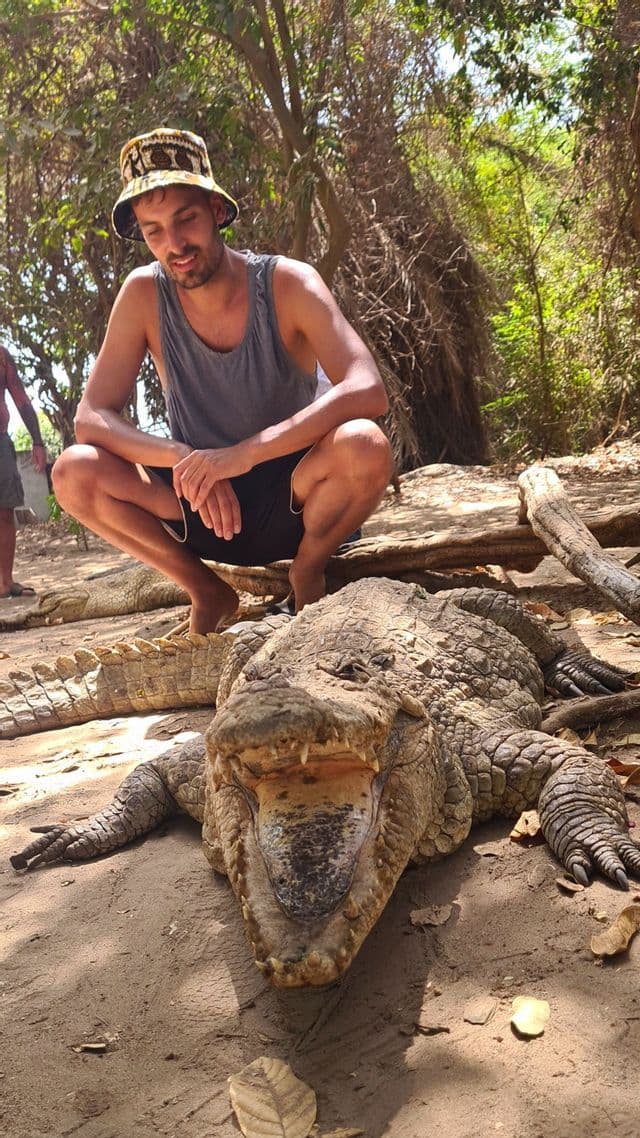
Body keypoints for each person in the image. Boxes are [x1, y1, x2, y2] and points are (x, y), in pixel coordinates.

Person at [52, 127, 394, 633]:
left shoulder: (287, 283)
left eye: (185, 219)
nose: (175, 245)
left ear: (216, 210)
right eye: (153, 231)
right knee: (73, 472)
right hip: (199, 509)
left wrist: (244, 454)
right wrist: (183, 458)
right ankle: (208, 591)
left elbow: (368, 388)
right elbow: (91, 418)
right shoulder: (144, 294)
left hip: (297, 503)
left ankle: (309, 570)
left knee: (365, 444)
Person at [0, 345, 47, 598]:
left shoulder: (1, 356)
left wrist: (37, 440)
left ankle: (5, 583)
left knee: (5, 512)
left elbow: (21, 399)